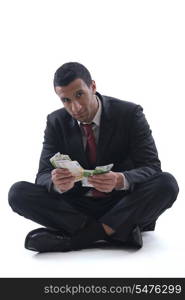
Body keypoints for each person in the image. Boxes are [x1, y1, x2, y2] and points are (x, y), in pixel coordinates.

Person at [8, 62, 179, 253]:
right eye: (66, 100)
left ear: (93, 87)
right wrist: (56, 183)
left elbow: (152, 167)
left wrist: (120, 180)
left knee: (167, 184)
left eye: (79, 94)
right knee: (17, 193)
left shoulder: (130, 114)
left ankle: (78, 239)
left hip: (121, 203)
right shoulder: (56, 122)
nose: (75, 107)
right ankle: (115, 232)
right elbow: (43, 176)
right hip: (77, 208)